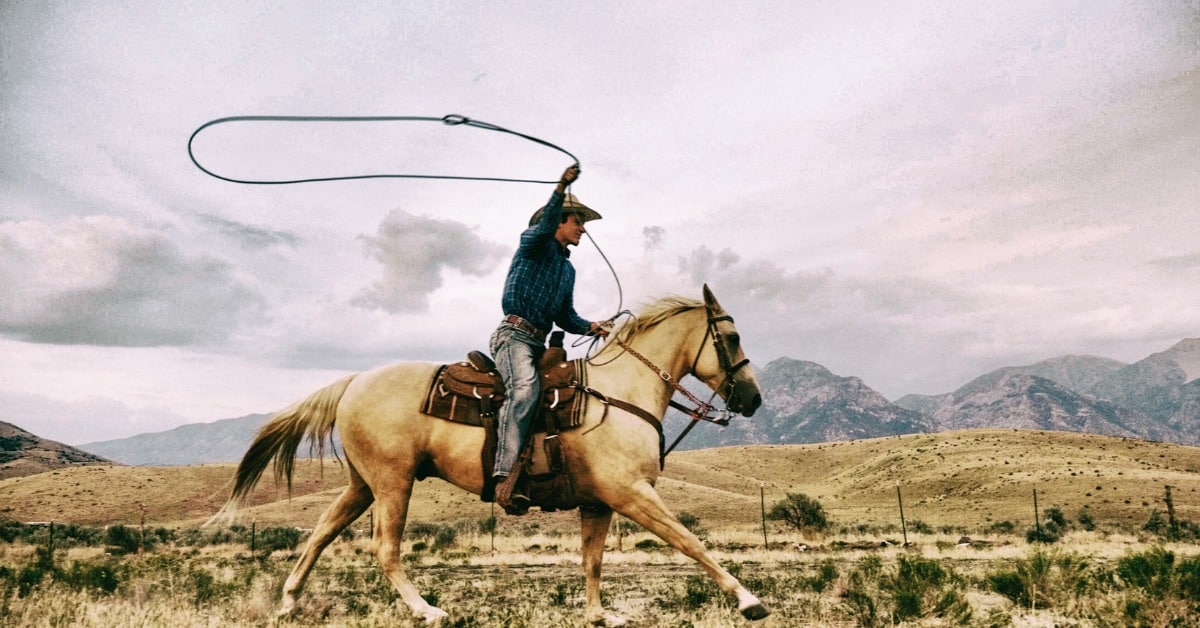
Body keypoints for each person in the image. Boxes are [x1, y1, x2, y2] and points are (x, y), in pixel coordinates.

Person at [491, 164, 608, 513]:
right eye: (578, 222)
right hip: (513, 336)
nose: (583, 230)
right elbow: (541, 228)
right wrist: (561, 188)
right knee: (524, 389)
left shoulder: (567, 269)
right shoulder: (534, 245)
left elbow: (565, 316)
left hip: (538, 342)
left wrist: (591, 326)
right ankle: (505, 472)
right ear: (559, 221)